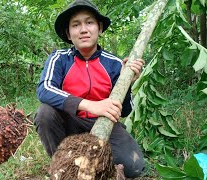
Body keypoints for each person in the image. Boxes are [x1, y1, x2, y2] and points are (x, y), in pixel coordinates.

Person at [34, 0, 145, 178]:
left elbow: (124, 110)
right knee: (45, 113)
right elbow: (44, 89)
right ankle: (63, 166)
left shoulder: (115, 63)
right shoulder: (59, 58)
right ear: (69, 34)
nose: (83, 29)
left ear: (99, 28)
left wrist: (127, 82)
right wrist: (89, 105)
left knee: (134, 166)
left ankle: (96, 162)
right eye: (76, 25)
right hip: (69, 122)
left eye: (89, 22)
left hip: (104, 124)